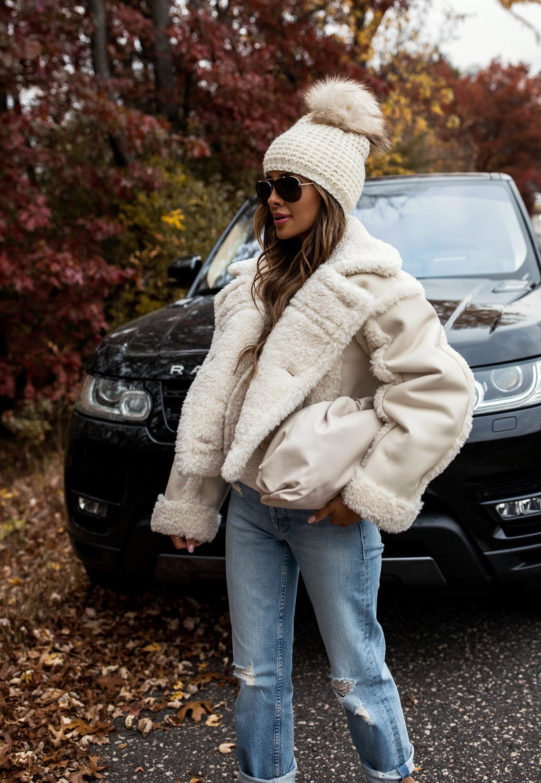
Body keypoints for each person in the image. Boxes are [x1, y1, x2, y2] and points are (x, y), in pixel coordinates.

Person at [151, 77, 475, 783]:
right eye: (267, 184)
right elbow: (220, 396)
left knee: (356, 673)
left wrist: (364, 494)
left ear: (328, 194)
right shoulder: (252, 280)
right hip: (250, 508)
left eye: (289, 185)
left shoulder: (377, 286)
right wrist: (194, 495)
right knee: (257, 675)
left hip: (327, 513)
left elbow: (442, 393)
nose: (272, 198)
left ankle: (389, 774)